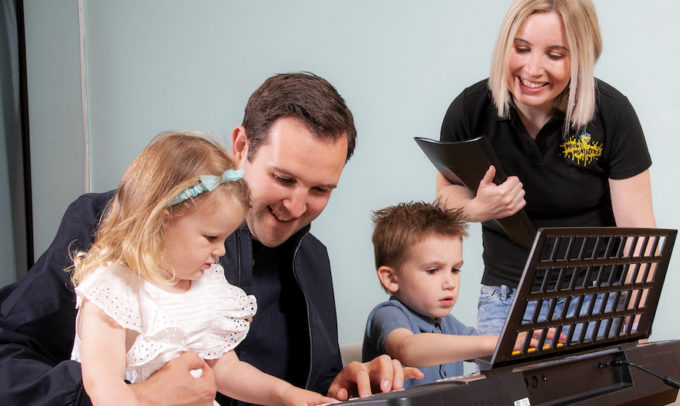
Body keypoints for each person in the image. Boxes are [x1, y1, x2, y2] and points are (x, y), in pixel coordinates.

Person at [0, 72, 417, 406]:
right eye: (283, 178)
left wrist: (339, 387)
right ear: (241, 146)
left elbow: (283, 382)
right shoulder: (111, 228)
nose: (295, 206)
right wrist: (141, 397)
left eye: (320, 190)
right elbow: (8, 358)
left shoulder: (311, 259)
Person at [436, 0, 656, 336]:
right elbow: (446, 195)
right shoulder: (469, 110)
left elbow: (638, 230)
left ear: (580, 58)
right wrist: (476, 207)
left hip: (597, 294)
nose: (532, 69)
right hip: (506, 297)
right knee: (512, 390)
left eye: (554, 55)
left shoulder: (613, 114)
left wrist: (635, 315)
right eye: (521, 49)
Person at [70, 132, 336, 406]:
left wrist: (287, 394)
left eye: (225, 238)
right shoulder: (115, 292)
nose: (221, 250)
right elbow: (104, 386)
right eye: (211, 238)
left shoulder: (206, 286)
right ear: (163, 224)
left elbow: (226, 370)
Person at [362, 202, 498, 387]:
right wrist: (490, 343)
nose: (450, 283)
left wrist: (524, 342)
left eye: (455, 269)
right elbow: (408, 348)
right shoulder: (388, 315)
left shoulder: (449, 323)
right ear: (391, 279)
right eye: (433, 270)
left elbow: (490, 350)